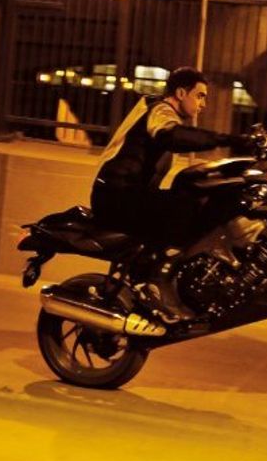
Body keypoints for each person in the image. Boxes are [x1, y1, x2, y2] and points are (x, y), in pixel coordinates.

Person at [90, 66, 247, 322]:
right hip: (116, 197)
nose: (203, 104)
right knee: (184, 206)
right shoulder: (160, 111)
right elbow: (171, 136)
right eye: (200, 96)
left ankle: (160, 273)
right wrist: (227, 140)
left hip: (125, 196)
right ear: (181, 93)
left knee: (189, 191)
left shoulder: (161, 112)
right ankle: (158, 278)